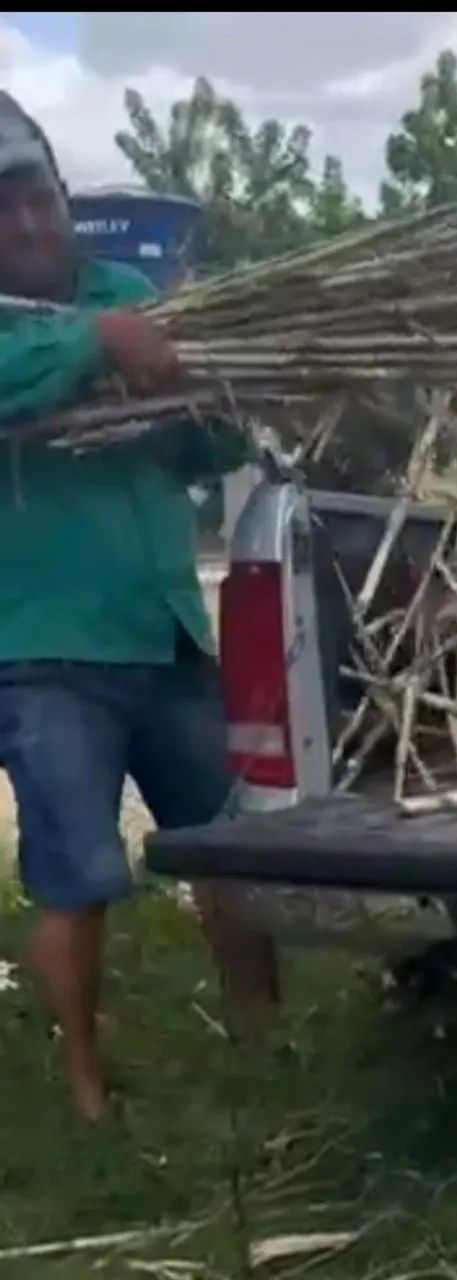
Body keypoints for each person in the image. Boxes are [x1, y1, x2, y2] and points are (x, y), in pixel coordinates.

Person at [0, 90, 279, 1121]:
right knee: (77, 872)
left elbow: (201, 450)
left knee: (229, 848)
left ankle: (264, 1037)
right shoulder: (63, 324)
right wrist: (95, 347)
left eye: (36, 200)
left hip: (166, 631)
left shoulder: (129, 291)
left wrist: (220, 413)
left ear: (63, 202)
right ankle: (84, 1090)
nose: (25, 225)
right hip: (43, 645)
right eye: (1, 209)